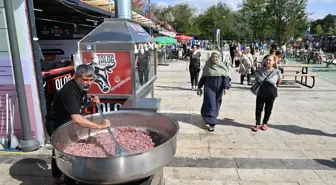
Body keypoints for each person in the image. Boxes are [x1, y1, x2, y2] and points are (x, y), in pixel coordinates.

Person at [46, 64, 111, 185]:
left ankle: (64, 176)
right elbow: (77, 118)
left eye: (91, 80)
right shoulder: (69, 92)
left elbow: (77, 107)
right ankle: (61, 178)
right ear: (76, 77)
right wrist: (100, 126)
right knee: (62, 152)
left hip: (68, 121)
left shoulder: (81, 89)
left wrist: (90, 103)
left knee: (67, 150)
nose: (89, 83)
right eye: (86, 80)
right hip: (56, 124)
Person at [196, 52, 231, 132]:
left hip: (219, 89)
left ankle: (210, 115)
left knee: (216, 103)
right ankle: (212, 123)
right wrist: (199, 86)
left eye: (216, 57)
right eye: (213, 57)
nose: (215, 59)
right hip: (209, 88)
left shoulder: (222, 67)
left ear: (218, 58)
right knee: (211, 103)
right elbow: (203, 77)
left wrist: (226, 88)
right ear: (211, 58)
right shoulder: (208, 66)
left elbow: (225, 78)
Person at [252, 55, 281, 132]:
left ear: (274, 62)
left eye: (270, 60)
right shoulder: (259, 70)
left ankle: (265, 123)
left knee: (268, 109)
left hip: (271, 93)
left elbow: (278, 82)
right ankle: (257, 123)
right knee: (259, 108)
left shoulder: (277, 72)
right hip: (261, 92)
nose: (268, 62)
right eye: (267, 60)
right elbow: (256, 80)